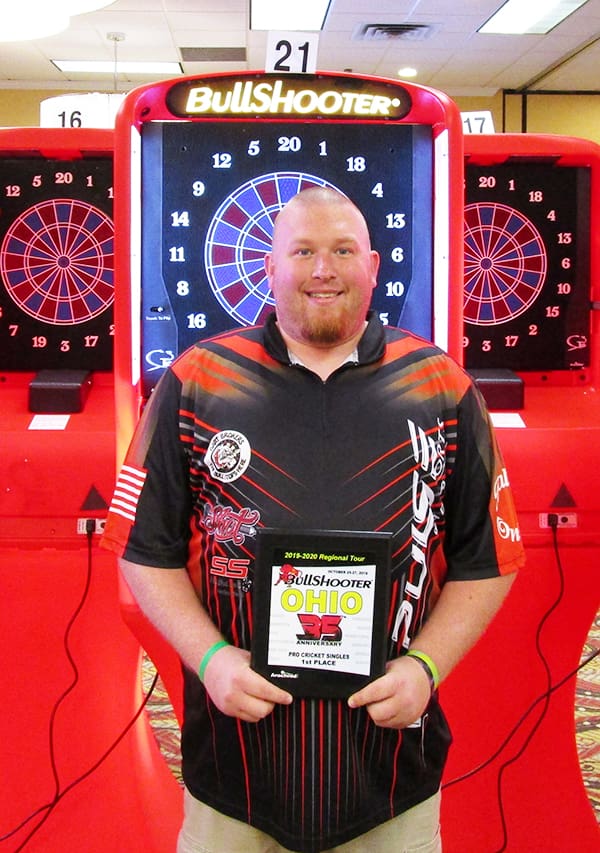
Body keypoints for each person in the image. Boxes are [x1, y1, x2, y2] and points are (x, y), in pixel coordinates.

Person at [101, 187, 525, 853]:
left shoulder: (441, 386)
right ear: (269, 266)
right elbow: (140, 549)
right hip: (235, 777)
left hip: (390, 779)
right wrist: (211, 659)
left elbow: (490, 559)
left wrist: (426, 667)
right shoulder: (197, 380)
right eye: (302, 251)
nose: (323, 269)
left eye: (342, 251)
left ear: (373, 267)